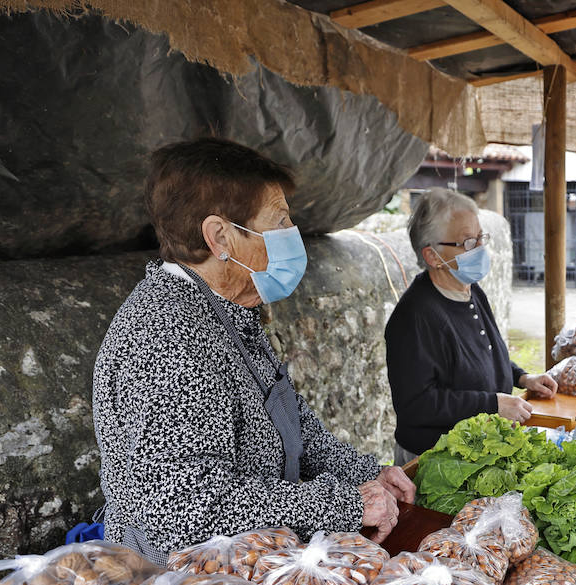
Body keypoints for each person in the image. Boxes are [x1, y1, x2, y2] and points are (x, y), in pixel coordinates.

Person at [93, 138, 413, 562]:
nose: (291, 236)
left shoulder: (228, 310)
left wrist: (369, 474)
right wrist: (346, 504)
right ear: (219, 237)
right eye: (279, 222)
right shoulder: (165, 338)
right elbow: (192, 508)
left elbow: (294, 426)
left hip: (253, 557)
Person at [385, 189, 557, 463]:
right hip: (435, 460)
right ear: (432, 256)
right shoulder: (414, 317)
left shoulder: (471, 290)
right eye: (467, 243)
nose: (479, 248)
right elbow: (416, 405)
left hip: (476, 449)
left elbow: (484, 354)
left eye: (480, 238)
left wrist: (523, 378)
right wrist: (493, 404)